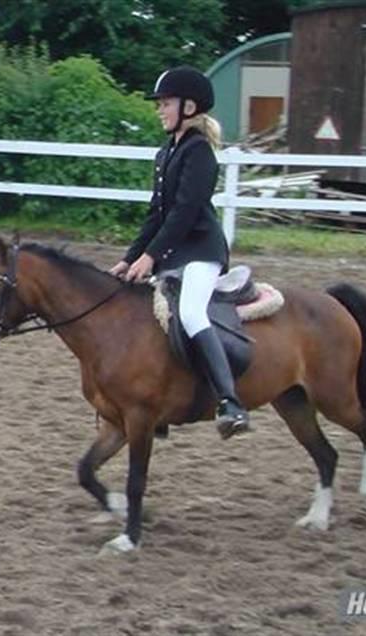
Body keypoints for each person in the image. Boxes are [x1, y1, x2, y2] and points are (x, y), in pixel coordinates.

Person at [109, 66, 250, 439]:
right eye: (160, 104)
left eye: (165, 103)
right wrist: (130, 257)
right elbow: (157, 214)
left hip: (202, 252)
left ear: (189, 107)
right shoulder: (165, 152)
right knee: (147, 315)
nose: (160, 110)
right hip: (173, 253)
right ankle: (161, 403)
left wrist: (151, 258)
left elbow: (185, 212)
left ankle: (230, 402)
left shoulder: (199, 152)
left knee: (188, 313)